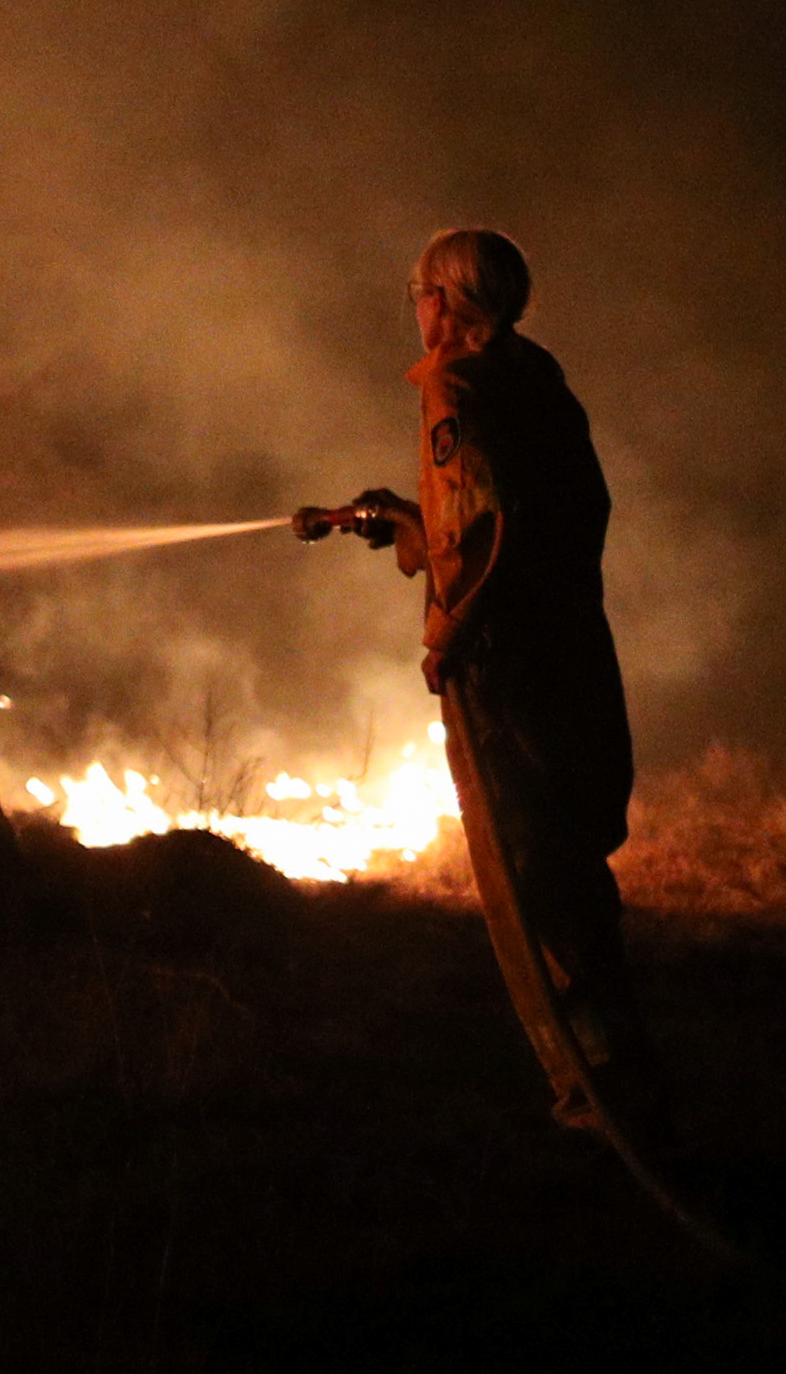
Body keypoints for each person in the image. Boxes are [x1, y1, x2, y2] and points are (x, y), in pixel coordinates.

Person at [295, 226, 662, 1139]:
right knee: (571, 853)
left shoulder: (456, 388)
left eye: (417, 291)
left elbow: (489, 529)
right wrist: (412, 524)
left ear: (447, 302)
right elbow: (526, 519)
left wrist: (450, 635)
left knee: (526, 859)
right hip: (571, 644)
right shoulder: (536, 378)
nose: (413, 307)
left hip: (505, 663)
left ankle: (591, 1080)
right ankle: (618, 1061)